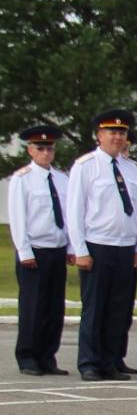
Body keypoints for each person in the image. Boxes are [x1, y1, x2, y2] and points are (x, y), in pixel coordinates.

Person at [65, 108, 137, 381]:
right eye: (112, 132)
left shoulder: (132, 168)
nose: (117, 137)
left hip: (125, 246)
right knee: (95, 307)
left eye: (122, 132)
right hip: (97, 245)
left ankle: (110, 361)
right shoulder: (85, 166)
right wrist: (80, 250)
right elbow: (75, 211)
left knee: (118, 308)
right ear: (99, 135)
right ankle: (89, 362)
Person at [8, 123, 72, 377]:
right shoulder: (22, 178)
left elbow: (67, 215)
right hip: (35, 249)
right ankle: (28, 356)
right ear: (30, 150)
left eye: (49, 148)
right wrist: (24, 251)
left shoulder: (62, 179)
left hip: (57, 248)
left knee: (54, 307)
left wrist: (71, 246)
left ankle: (48, 356)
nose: (46, 152)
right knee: (33, 306)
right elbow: (18, 217)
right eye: (40, 148)